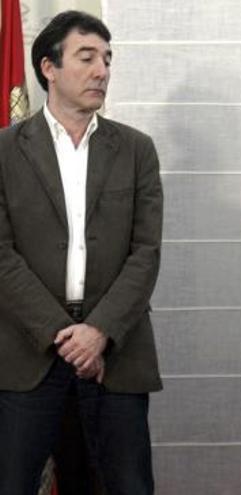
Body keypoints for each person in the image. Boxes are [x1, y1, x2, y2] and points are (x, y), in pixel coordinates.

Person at [0, 10, 163, 495]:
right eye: (87, 57)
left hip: (117, 351)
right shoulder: (6, 151)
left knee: (126, 485)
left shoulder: (136, 150)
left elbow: (146, 253)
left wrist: (98, 332)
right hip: (27, 353)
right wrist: (60, 333)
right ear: (48, 68)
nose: (102, 71)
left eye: (108, 60)